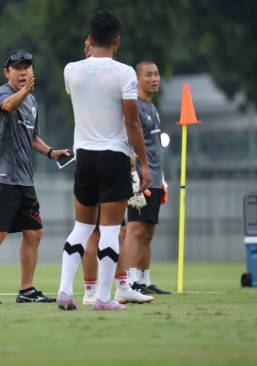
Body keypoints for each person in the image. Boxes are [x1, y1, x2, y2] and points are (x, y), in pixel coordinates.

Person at [57, 9, 151, 311]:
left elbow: (82, 84)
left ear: (89, 39)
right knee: (110, 231)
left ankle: (64, 291)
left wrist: (87, 58)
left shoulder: (71, 69)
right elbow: (132, 123)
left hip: (83, 157)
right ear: (117, 40)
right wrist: (144, 163)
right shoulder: (124, 73)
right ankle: (104, 298)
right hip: (113, 156)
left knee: (82, 228)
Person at [0, 49, 68, 305]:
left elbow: (32, 137)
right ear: (7, 72)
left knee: (34, 233)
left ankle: (27, 290)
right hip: (0, 178)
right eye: (18, 68)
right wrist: (24, 92)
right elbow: (8, 105)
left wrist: (51, 152)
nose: (24, 71)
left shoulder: (33, 103)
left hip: (25, 180)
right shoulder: (2, 93)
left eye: (27, 67)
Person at [124, 60, 171, 295]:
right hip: (140, 180)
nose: (154, 79)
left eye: (156, 74)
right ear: (138, 79)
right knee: (135, 228)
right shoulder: (136, 107)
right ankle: (130, 281)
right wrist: (133, 172)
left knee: (149, 230)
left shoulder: (152, 107)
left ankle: (144, 280)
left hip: (155, 178)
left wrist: (162, 180)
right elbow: (127, 140)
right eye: (148, 75)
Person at [81, 154, 154, 306]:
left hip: (111, 174)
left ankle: (123, 287)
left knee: (120, 232)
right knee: (94, 234)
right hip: (99, 173)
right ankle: (91, 292)